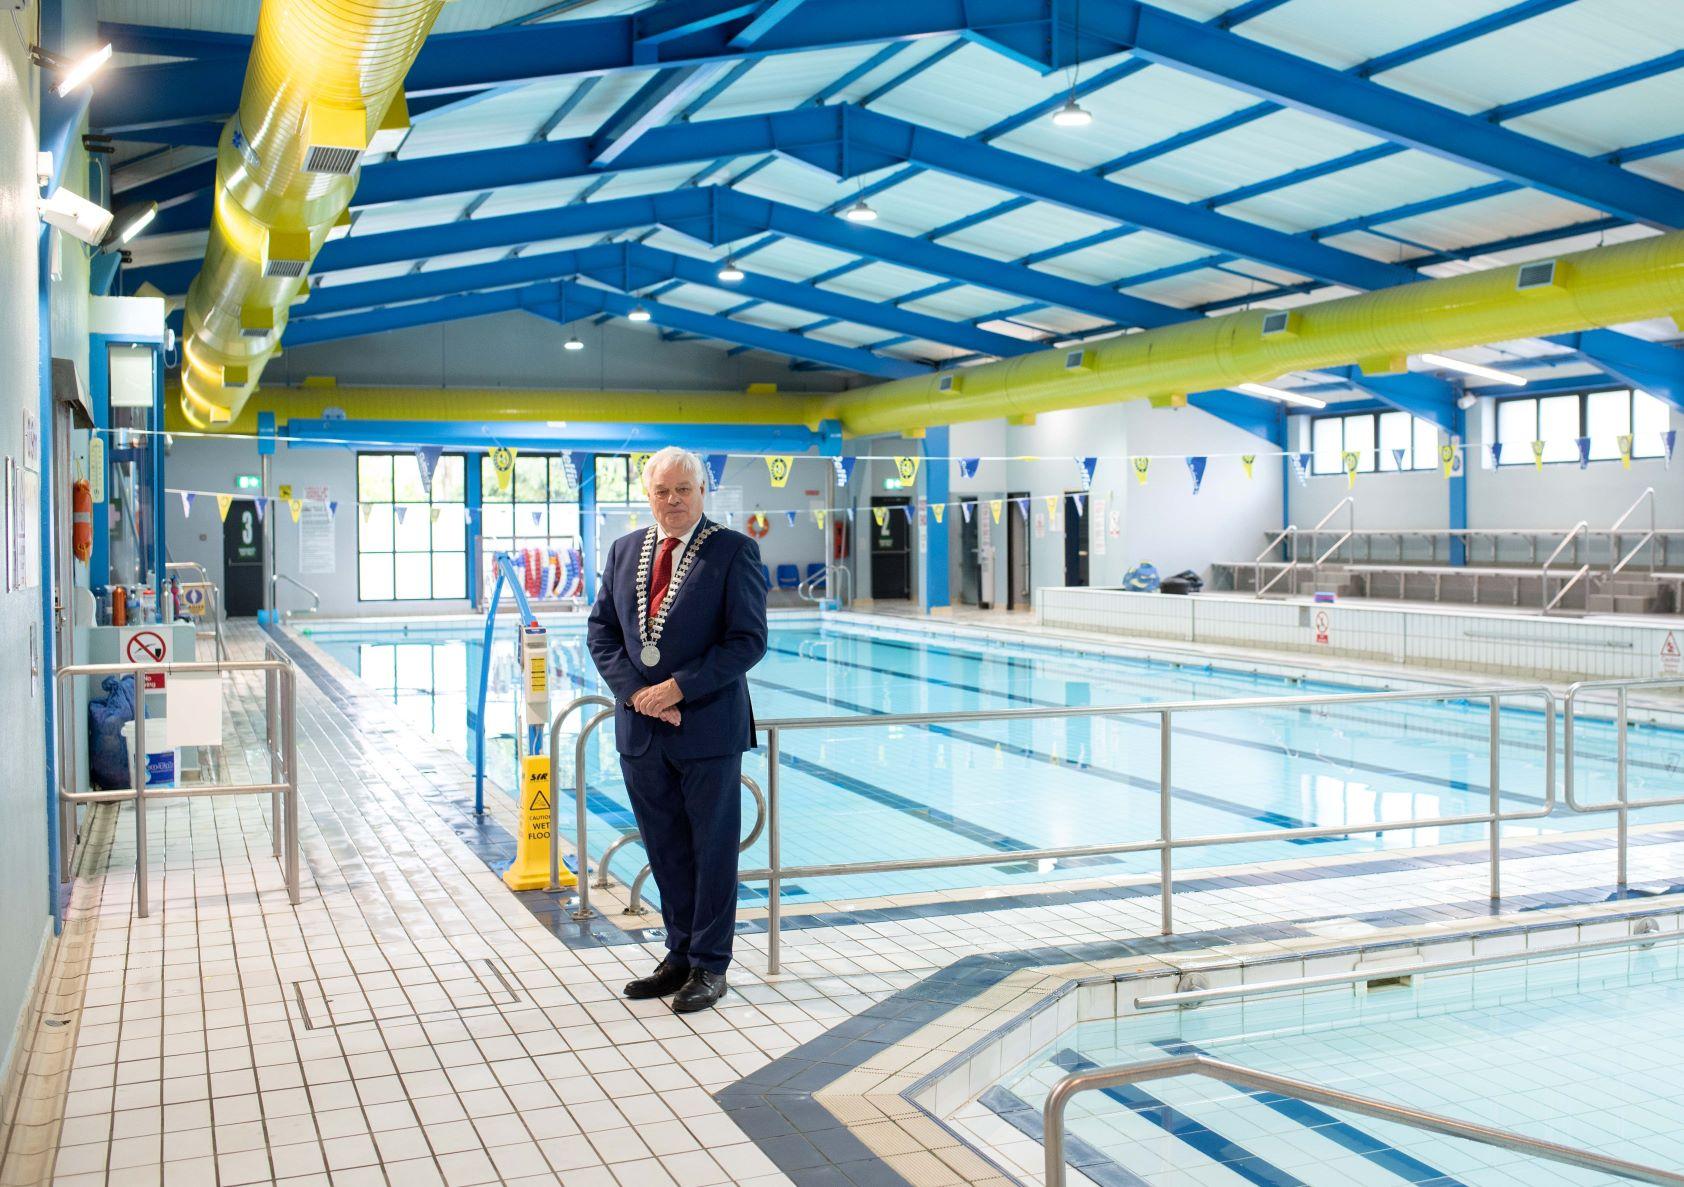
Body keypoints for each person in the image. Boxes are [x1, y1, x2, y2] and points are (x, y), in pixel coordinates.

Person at [586, 447, 769, 1013]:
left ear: (701, 492)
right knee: (665, 847)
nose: (672, 500)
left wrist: (678, 689)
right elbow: (602, 633)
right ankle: (679, 952)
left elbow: (747, 641)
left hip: (707, 728)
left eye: (682, 490)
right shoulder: (623, 552)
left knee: (713, 851)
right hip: (642, 729)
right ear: (649, 495)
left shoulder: (734, 552)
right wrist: (641, 695)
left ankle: (711, 964)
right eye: (662, 491)